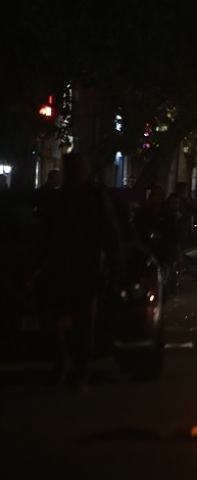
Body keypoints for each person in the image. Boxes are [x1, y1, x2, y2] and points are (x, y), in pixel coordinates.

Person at [41, 152, 123, 392]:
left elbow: (111, 234)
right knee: (52, 318)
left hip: (86, 269)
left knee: (83, 323)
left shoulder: (96, 197)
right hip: (59, 268)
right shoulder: (60, 198)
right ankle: (62, 363)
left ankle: (80, 369)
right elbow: (47, 232)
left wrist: (114, 268)